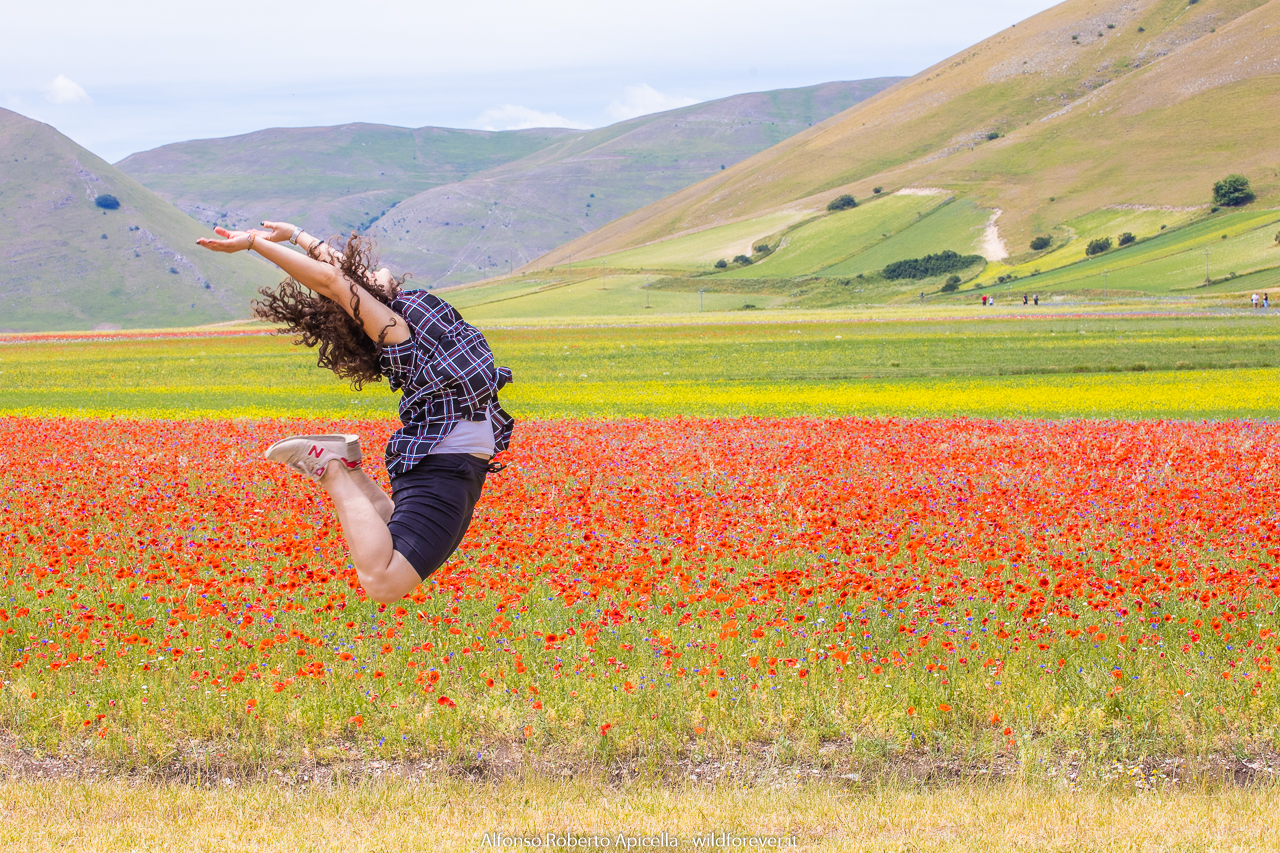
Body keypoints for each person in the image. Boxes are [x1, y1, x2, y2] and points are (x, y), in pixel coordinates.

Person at [197, 222, 513, 604]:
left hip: (455, 465)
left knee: (388, 525)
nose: (368, 274)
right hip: (446, 463)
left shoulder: (404, 303)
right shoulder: (397, 333)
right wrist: (253, 244)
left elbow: (344, 276)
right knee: (383, 584)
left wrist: (297, 235)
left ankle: (347, 465)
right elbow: (333, 282)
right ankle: (329, 467)